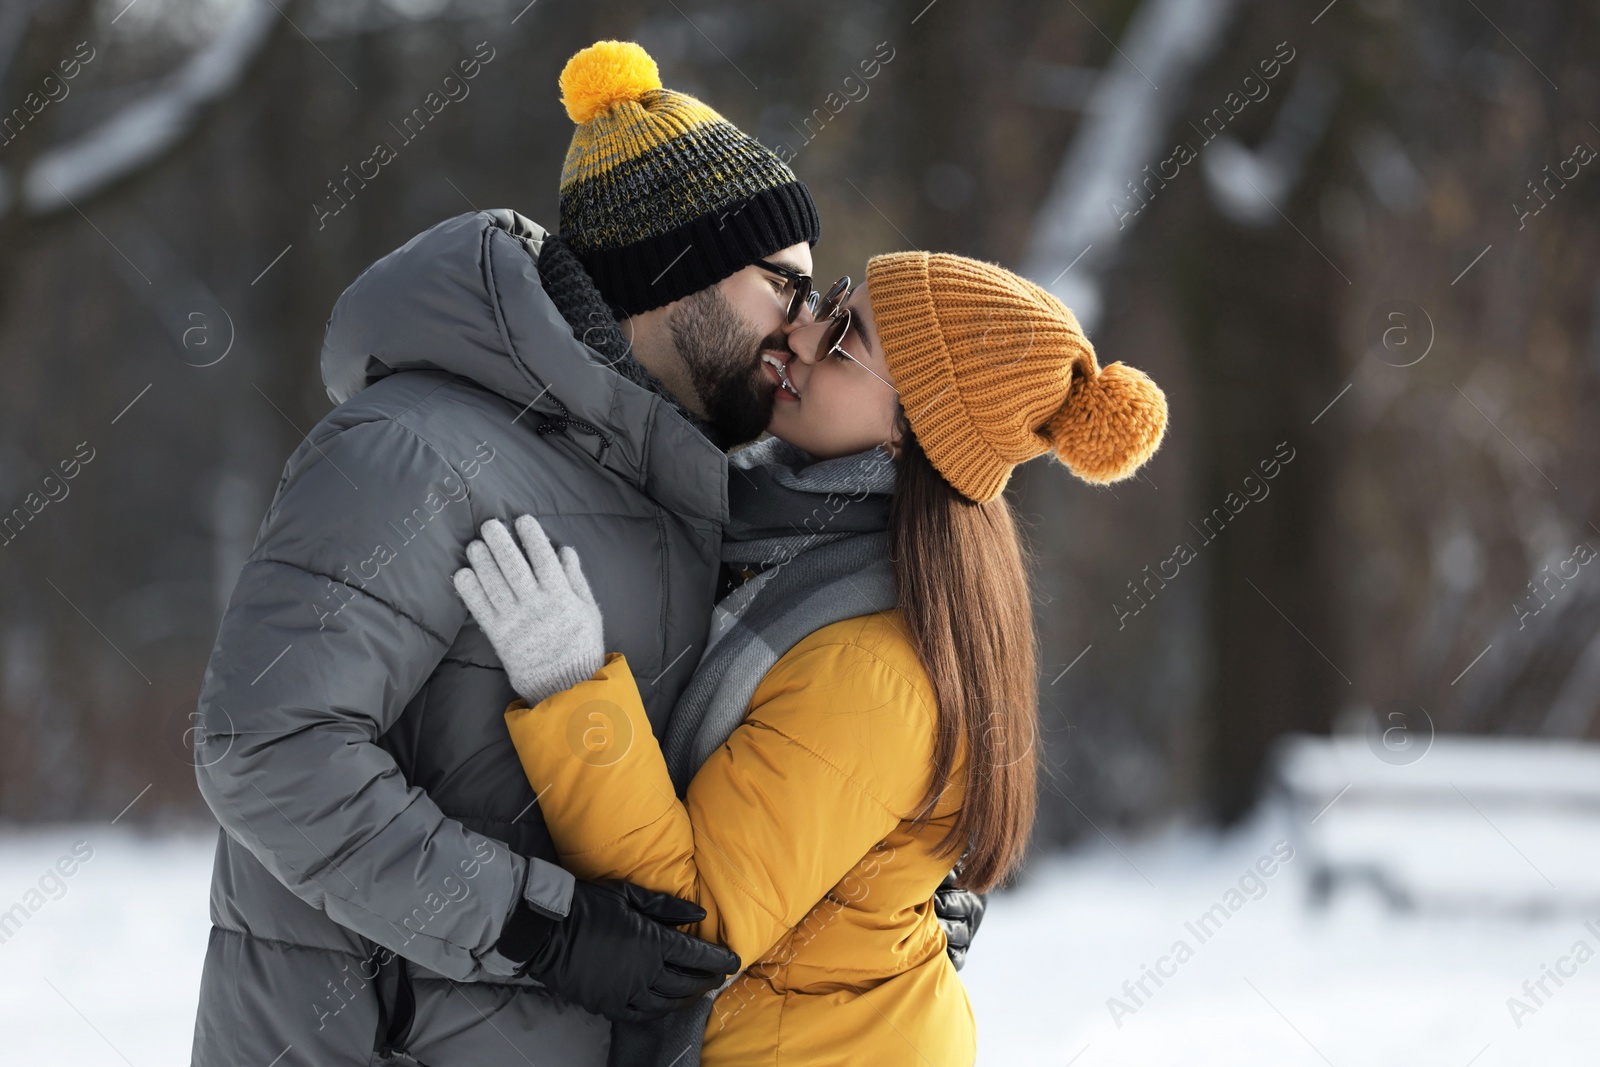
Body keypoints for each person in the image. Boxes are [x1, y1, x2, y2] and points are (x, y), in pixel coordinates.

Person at [191, 39, 831, 1067]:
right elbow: (266, 748)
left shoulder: (689, 490)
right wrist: (538, 927)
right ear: (678, 273)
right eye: (782, 286)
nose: (804, 328)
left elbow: (719, 785)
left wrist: (878, 884)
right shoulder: (410, 453)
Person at [455, 251, 1170, 1065]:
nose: (797, 332)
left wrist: (572, 686)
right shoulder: (788, 538)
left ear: (908, 435)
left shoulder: (874, 667)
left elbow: (691, 921)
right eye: (828, 304)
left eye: (843, 339)